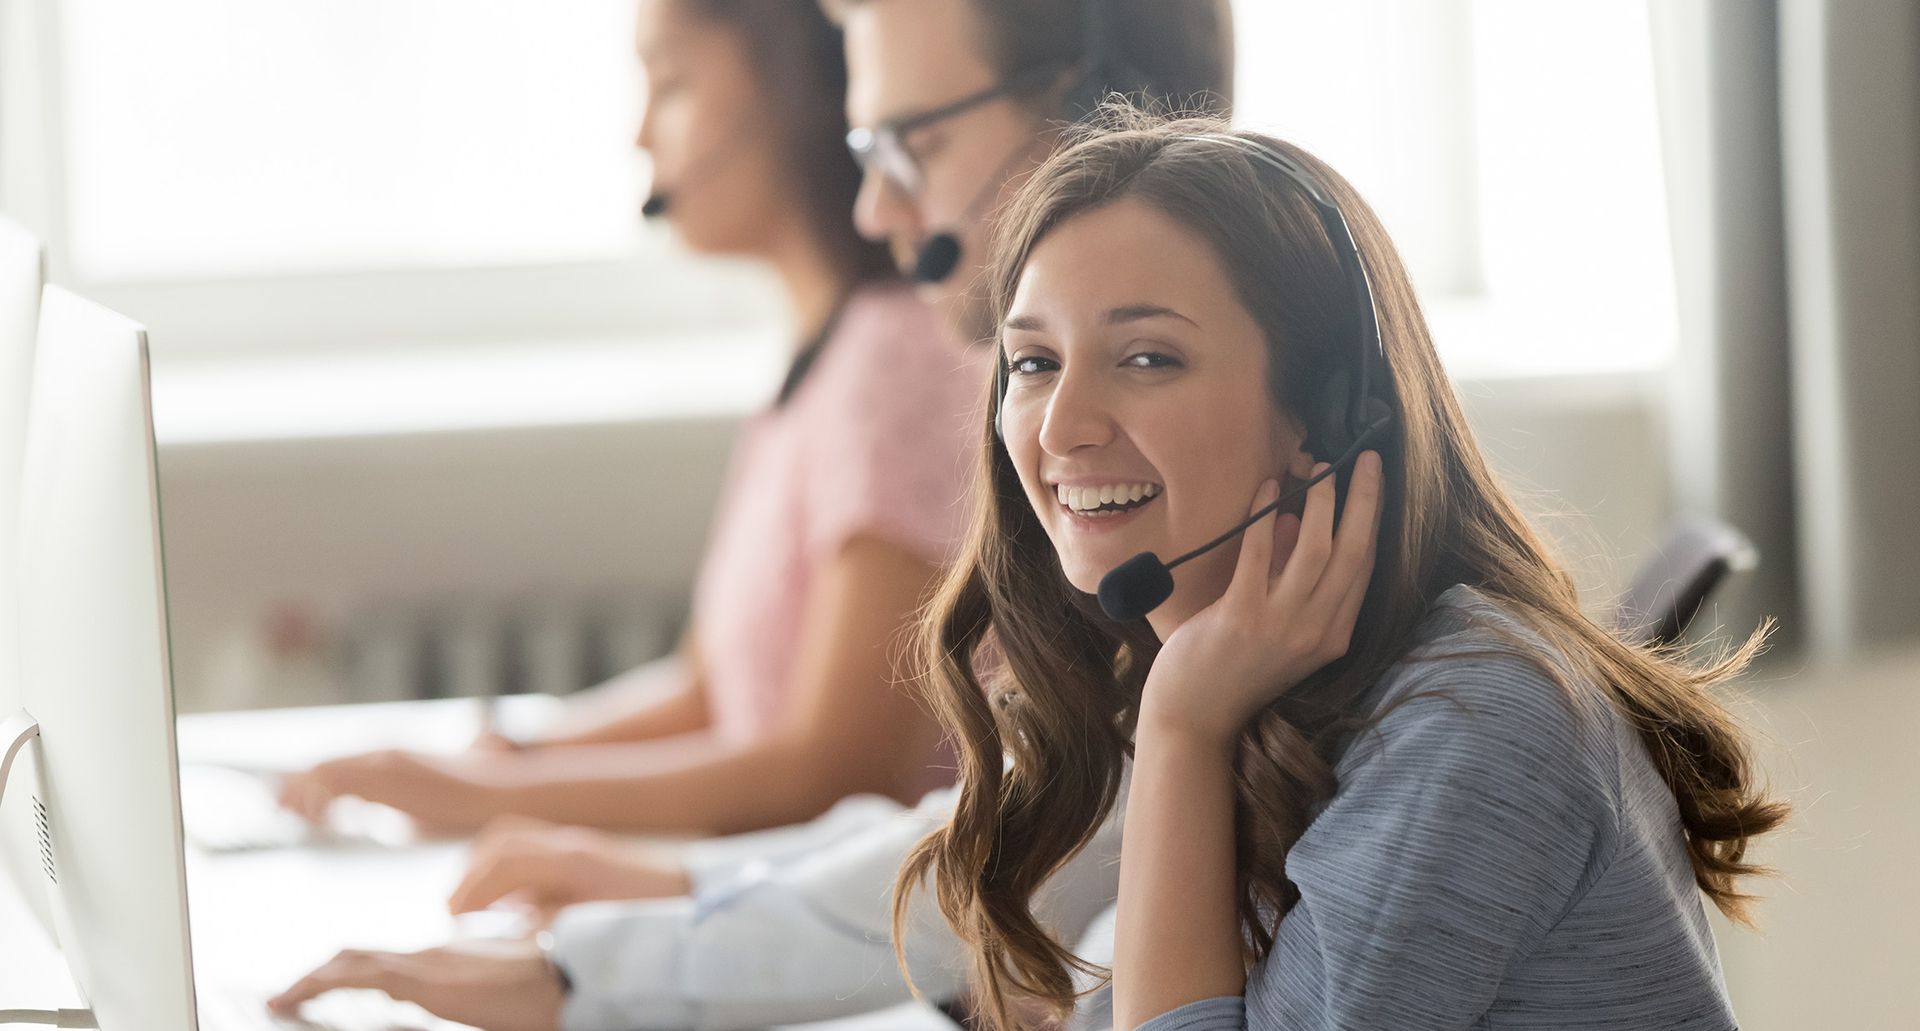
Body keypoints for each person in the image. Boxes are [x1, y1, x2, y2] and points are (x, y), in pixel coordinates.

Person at [268, 1, 1235, 1027]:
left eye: (920, 141)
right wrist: (609, 882)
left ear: (1101, 129)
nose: (876, 208)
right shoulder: (1098, 513)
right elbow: (1006, 832)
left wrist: (601, 928)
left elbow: (876, 789)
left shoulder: (1033, 439)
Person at [896, 111, 1790, 1031]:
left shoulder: (1473, 720)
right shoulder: (1255, 675)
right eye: (1034, 362)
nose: (1059, 426)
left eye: (1148, 357)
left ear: (1327, 413)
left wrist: (1181, 726)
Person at [275, 0, 983, 840]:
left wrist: (483, 801)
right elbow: (710, 691)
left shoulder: (894, 359)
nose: (642, 136)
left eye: (674, 83)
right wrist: (505, 760)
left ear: (797, 94)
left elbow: (833, 771)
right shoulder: (822, 364)